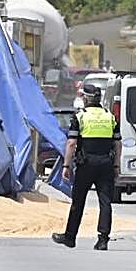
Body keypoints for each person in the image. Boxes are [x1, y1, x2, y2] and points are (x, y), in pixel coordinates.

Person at [52, 82, 121, 251]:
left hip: (86, 164)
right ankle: (103, 239)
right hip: (106, 163)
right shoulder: (109, 116)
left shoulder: (80, 116)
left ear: (87, 99)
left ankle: (70, 237)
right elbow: (118, 144)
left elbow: (71, 143)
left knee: (78, 201)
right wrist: (116, 166)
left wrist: (66, 166)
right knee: (105, 202)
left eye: (83, 96)